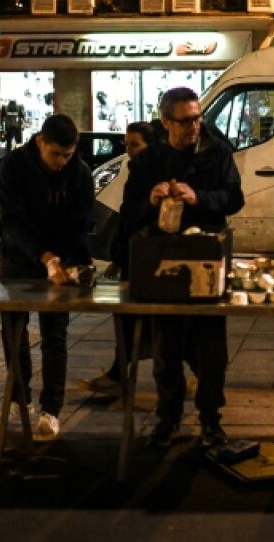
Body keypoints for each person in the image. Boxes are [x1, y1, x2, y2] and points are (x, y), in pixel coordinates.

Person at [114, 87, 244, 448]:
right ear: (167, 122)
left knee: (211, 348)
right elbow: (129, 214)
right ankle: (167, 418)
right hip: (164, 261)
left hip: (206, 259)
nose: (194, 126)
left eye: (197, 118)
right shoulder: (148, 161)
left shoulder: (217, 153)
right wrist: (150, 199)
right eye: (185, 121)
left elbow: (234, 198)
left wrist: (198, 197)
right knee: (166, 347)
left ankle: (211, 418)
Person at [0, 113, 95, 442]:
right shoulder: (14, 166)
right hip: (19, 259)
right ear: (40, 142)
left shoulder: (79, 173)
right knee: (14, 332)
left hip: (60, 260)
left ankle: (51, 409)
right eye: (56, 154)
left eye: (68, 155)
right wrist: (45, 256)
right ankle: (19, 397)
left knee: (55, 335)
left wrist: (68, 261)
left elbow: (80, 223)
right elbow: (12, 222)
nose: (61, 162)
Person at [84, 120, 162, 394]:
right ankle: (119, 373)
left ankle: (193, 374)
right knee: (129, 319)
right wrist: (118, 257)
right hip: (134, 255)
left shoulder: (153, 173)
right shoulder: (136, 170)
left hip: (147, 257)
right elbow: (127, 217)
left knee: (152, 321)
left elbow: (134, 218)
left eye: (135, 145)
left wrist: (121, 255)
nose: (129, 150)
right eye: (127, 144)